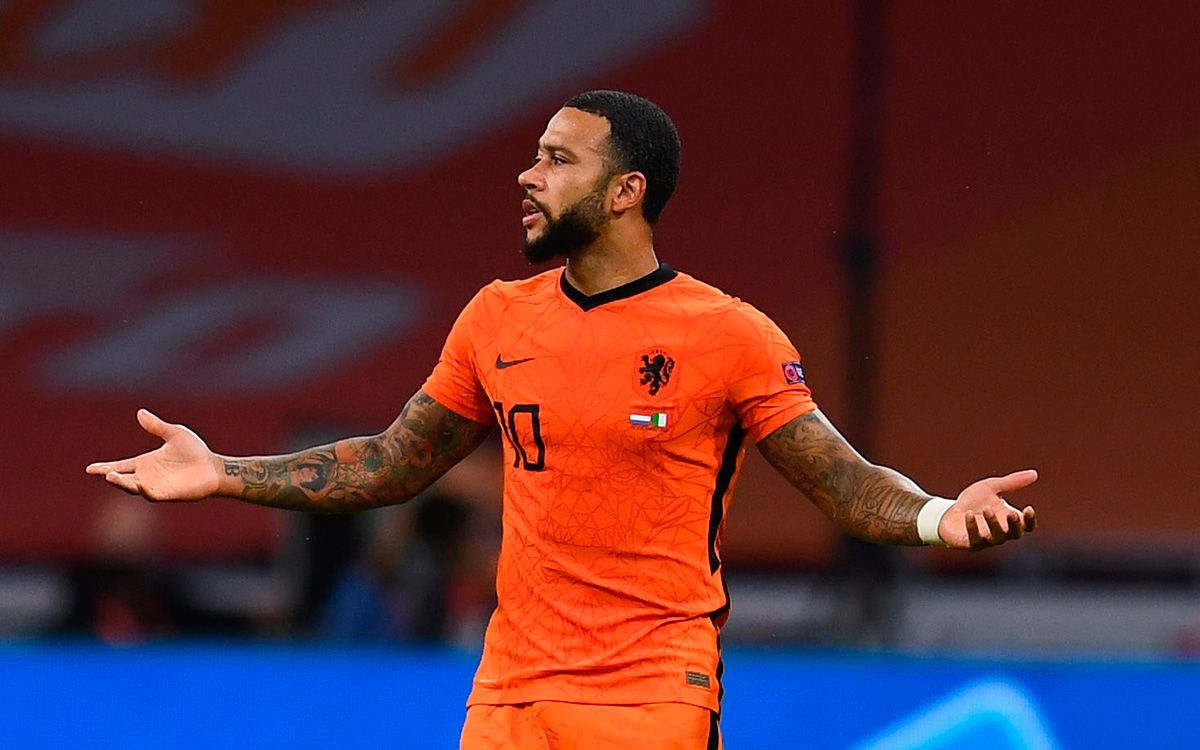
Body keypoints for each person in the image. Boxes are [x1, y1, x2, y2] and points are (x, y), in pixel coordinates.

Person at [86, 90, 1037, 750]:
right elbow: (391, 463)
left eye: (556, 159)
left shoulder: (728, 334)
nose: (527, 175)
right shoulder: (497, 318)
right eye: (534, 155)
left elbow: (843, 480)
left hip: (649, 695)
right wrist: (224, 472)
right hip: (510, 694)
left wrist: (936, 515)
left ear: (626, 191)